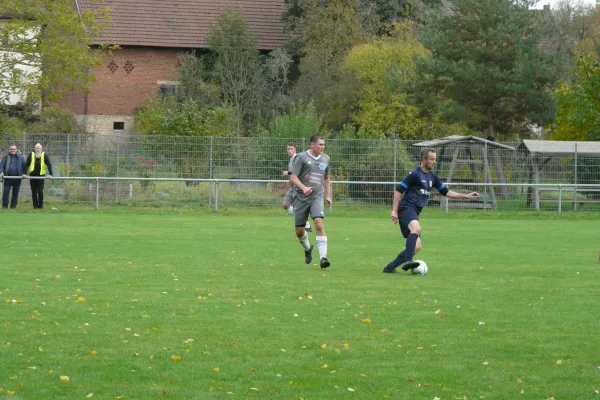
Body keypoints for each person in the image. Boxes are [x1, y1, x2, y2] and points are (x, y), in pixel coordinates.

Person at [383, 147, 479, 273]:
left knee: (417, 247)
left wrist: (465, 196)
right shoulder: (415, 173)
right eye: (432, 159)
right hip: (406, 208)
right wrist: (394, 210)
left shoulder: (433, 177)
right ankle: (408, 261)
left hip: (414, 212)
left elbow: (446, 192)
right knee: (416, 228)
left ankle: (389, 268)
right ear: (423, 160)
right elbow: (398, 190)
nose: (434, 161)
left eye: (435, 159)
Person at [290, 135, 332, 269]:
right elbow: (293, 177)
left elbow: (326, 178)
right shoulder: (301, 157)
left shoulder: (326, 159)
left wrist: (327, 195)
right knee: (299, 231)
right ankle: (308, 248)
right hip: (301, 197)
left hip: (316, 197)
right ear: (312, 145)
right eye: (320, 144)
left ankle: (323, 258)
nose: (323, 147)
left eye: (324, 145)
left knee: (319, 223)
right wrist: (303, 187)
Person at [282, 143, 311, 232]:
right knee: (285, 205)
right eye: (288, 149)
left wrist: (288, 173)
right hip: (292, 188)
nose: (289, 150)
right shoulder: (291, 160)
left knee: (299, 208)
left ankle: (305, 223)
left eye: (291, 149)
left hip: (298, 188)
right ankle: (305, 221)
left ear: (295, 150)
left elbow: (296, 173)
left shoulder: (297, 158)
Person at [24, 143, 53, 209]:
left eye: (39, 148)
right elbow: (26, 164)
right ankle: (35, 206)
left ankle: (41, 206)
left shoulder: (44, 155)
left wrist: (50, 174)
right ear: (34, 149)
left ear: (41, 149)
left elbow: (49, 165)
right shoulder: (31, 154)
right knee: (34, 191)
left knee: (40, 191)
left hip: (41, 176)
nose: (38, 149)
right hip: (32, 176)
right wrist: (24, 173)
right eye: (36, 148)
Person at [0, 144, 26, 209]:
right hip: (7, 178)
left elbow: (24, 167)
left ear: (16, 150)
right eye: (11, 149)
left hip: (17, 178)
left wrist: (24, 173)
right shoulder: (5, 157)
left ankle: (13, 206)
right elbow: (1, 166)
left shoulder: (20, 158)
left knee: (15, 193)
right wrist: (1, 172)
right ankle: (4, 206)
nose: (13, 150)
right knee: (6, 192)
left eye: (14, 149)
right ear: (9, 150)